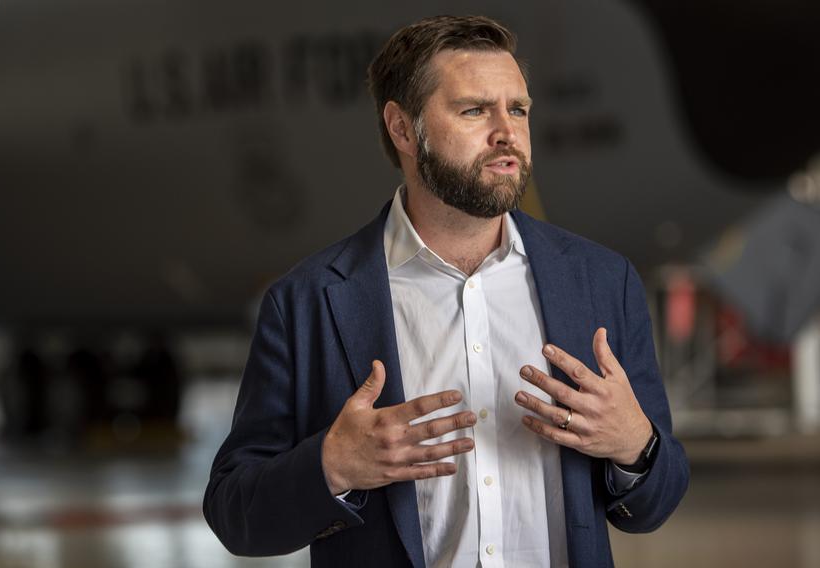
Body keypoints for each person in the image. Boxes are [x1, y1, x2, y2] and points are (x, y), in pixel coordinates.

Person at [204, 15, 689, 568]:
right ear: (404, 129)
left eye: (519, 109)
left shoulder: (603, 281)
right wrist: (333, 464)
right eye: (475, 110)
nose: (507, 131)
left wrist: (636, 445)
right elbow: (234, 514)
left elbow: (657, 502)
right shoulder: (307, 302)